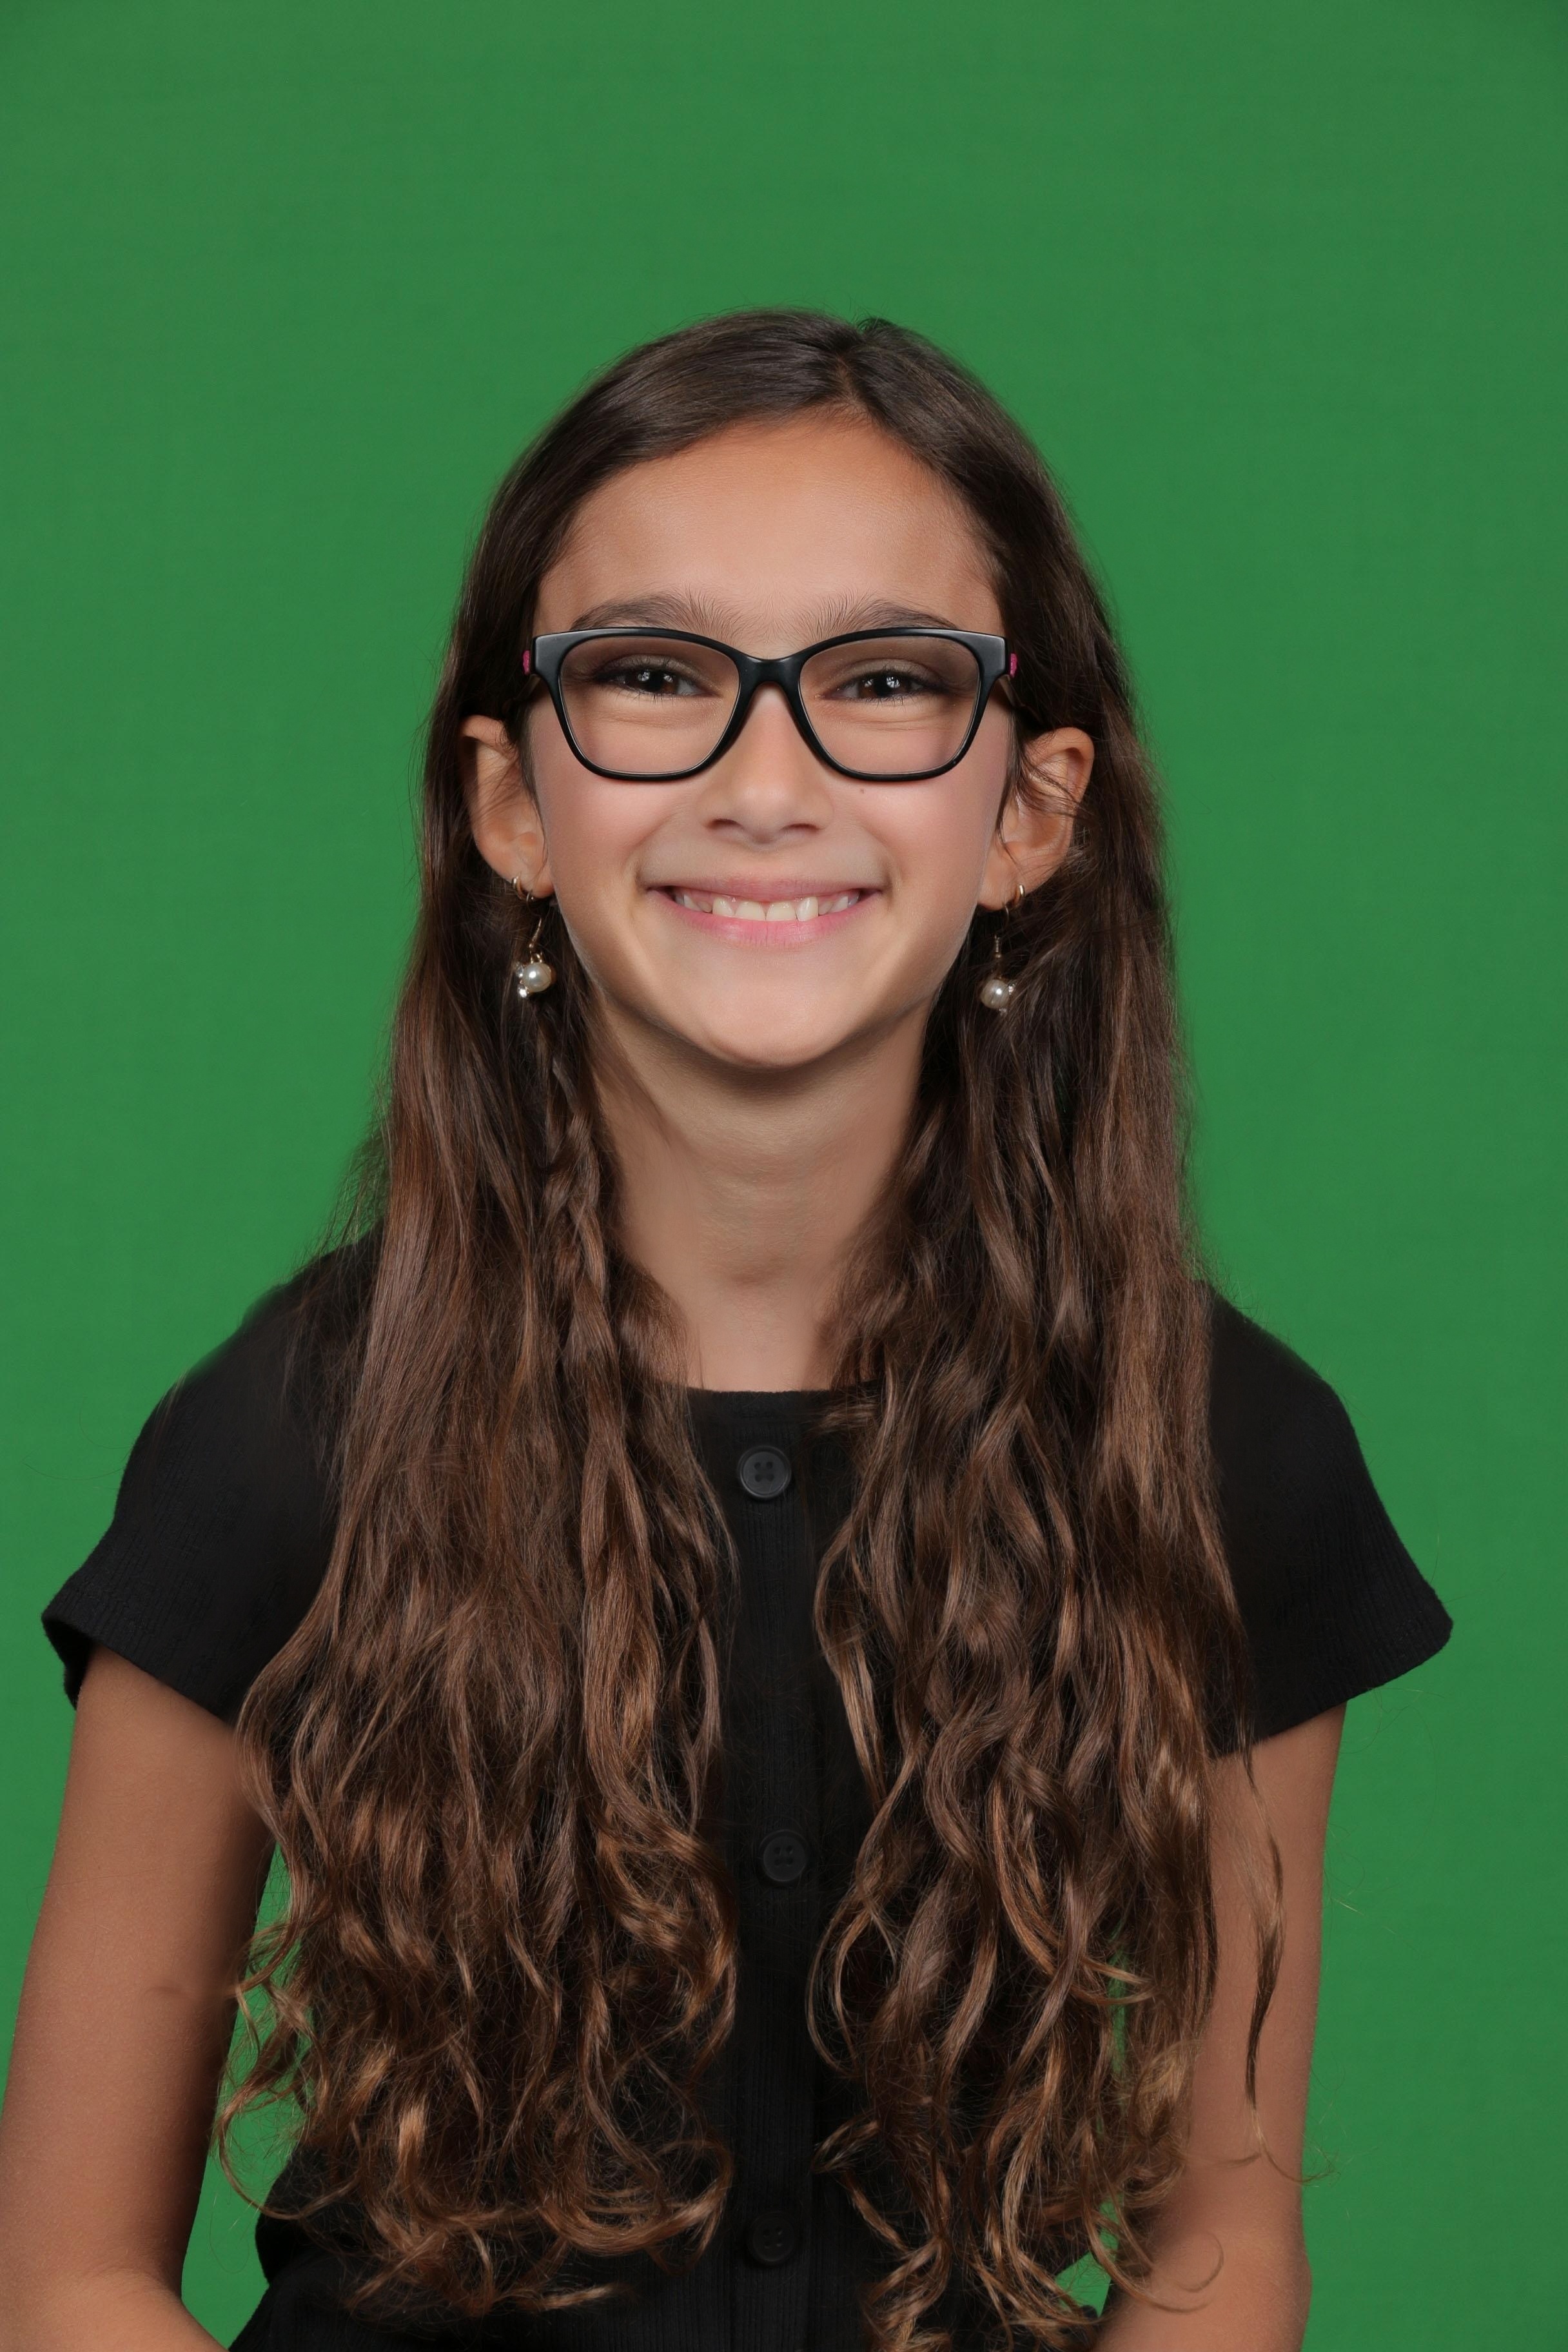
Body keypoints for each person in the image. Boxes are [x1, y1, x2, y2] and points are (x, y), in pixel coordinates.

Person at [0, 310, 1450, 2352]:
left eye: (885, 682)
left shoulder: (1222, 1450)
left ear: (1030, 813)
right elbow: (66, 2276)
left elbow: (1221, 2246)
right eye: (657, 677)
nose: (768, 783)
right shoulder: (292, 1434)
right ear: (513, 803)